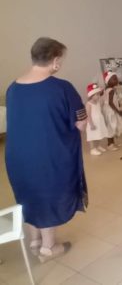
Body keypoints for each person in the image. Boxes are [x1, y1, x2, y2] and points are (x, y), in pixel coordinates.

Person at [5, 37, 87, 262]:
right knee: (49, 195)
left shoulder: (13, 88)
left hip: (17, 157)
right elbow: (81, 123)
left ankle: (34, 241)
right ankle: (48, 248)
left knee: (28, 194)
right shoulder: (62, 88)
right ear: (56, 61)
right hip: (49, 155)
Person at [85, 83, 109, 155]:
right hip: (92, 123)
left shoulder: (98, 102)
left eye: (99, 94)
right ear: (91, 95)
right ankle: (92, 149)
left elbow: (103, 99)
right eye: (97, 95)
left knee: (99, 134)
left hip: (99, 122)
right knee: (92, 136)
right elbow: (88, 115)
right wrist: (91, 124)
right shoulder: (88, 104)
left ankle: (98, 146)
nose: (98, 96)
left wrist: (103, 90)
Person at [103, 71, 122, 150]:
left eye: (116, 78)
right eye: (114, 79)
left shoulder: (107, 89)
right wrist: (117, 111)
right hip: (110, 111)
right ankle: (110, 145)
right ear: (108, 81)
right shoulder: (111, 90)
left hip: (108, 110)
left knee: (111, 126)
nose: (116, 80)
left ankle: (112, 143)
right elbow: (110, 103)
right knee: (111, 126)